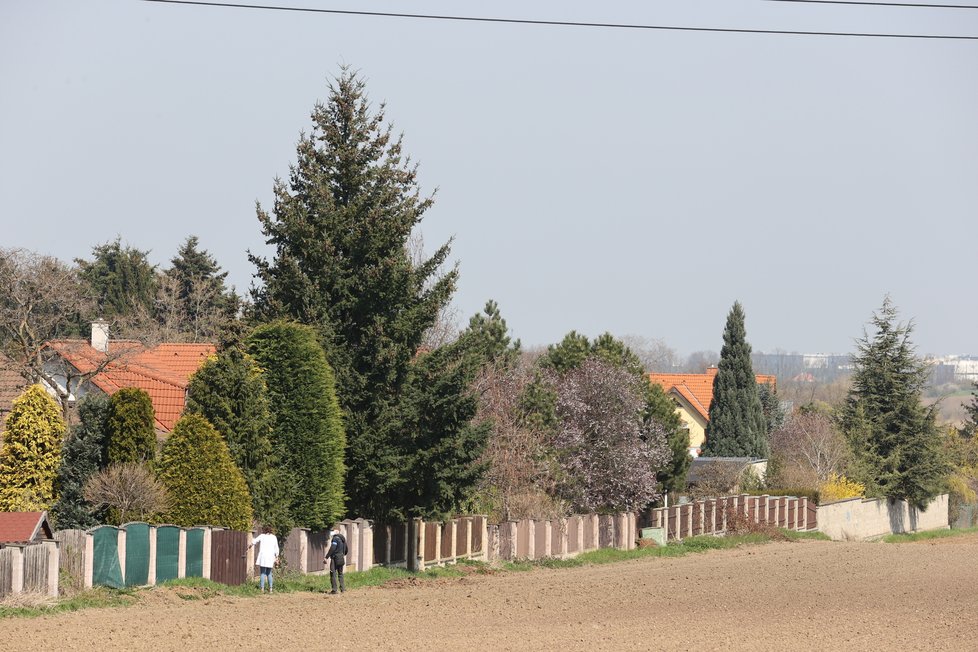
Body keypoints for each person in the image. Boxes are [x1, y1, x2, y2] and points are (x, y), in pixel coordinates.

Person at [248, 525, 280, 593]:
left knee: (262, 573)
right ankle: (270, 589)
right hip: (270, 557)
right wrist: (277, 556)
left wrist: (250, 545)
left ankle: (262, 589)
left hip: (263, 556)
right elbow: (276, 548)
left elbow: (255, 541)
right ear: (271, 530)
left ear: (264, 530)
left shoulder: (262, 536)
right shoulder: (274, 537)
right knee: (269, 573)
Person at [324, 526, 347, 594]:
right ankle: (342, 589)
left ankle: (334, 590)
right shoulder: (343, 539)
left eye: (332, 530)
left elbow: (333, 548)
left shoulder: (335, 539)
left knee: (333, 573)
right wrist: (342, 554)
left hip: (335, 558)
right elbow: (346, 549)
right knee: (340, 573)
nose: (331, 532)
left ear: (336, 531)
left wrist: (326, 557)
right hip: (341, 558)